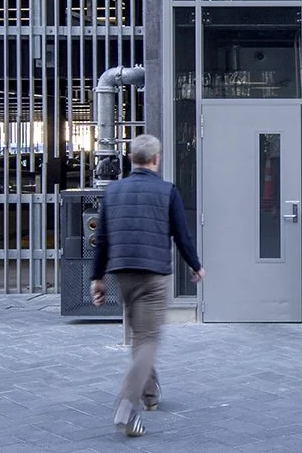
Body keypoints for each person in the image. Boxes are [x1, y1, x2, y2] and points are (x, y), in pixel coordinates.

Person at [90, 135, 203, 438]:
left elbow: (102, 239)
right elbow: (182, 235)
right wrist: (195, 265)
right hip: (153, 276)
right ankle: (127, 406)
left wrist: (97, 278)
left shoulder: (112, 191)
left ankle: (149, 395)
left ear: (131, 160)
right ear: (156, 159)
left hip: (123, 273)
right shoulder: (167, 191)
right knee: (149, 340)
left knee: (140, 338)